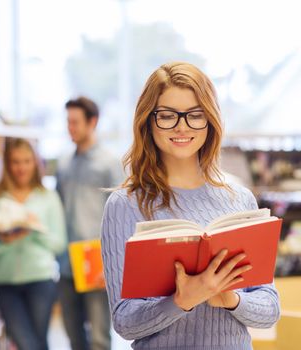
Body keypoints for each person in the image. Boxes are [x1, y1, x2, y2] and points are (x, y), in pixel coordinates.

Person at [101, 62, 280, 349]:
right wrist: (182, 300)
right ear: (148, 120)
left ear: (210, 120)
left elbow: (270, 309)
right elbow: (124, 321)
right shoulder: (124, 204)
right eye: (168, 115)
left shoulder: (240, 198)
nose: (182, 126)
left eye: (195, 115)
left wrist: (230, 299)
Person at [0, 138, 67, 350]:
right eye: (16, 162)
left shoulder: (48, 197)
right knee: (27, 343)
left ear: (35, 163)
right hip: (6, 283)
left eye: (27, 161)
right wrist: (5, 240)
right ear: (7, 164)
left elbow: (59, 243)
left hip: (40, 280)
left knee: (37, 342)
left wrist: (34, 229)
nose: (21, 168)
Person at [56, 97, 122, 350]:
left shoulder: (109, 163)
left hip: (96, 263)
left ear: (92, 122)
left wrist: (114, 264)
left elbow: (120, 216)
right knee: (73, 337)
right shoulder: (64, 164)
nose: (70, 128)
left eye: (75, 122)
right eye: (68, 122)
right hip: (65, 264)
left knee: (98, 339)